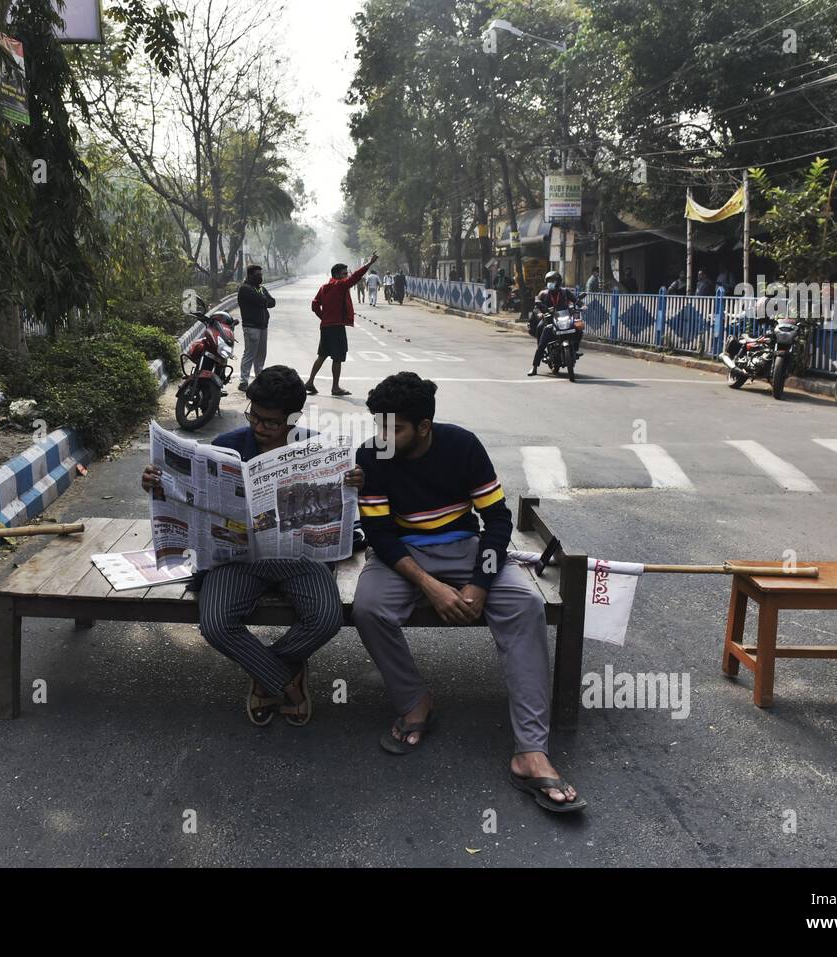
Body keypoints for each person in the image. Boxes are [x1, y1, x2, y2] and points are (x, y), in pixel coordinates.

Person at [352, 372, 586, 814]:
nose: (382, 436)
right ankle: (415, 701)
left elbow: (496, 521)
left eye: (393, 428)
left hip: (466, 549)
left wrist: (479, 582)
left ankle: (531, 750)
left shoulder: (462, 446)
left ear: (423, 427)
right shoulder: (372, 455)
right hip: (400, 556)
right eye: (378, 426)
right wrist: (431, 586)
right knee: (369, 608)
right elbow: (380, 534)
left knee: (525, 604)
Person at [140, 366, 363, 726]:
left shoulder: (315, 449)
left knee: (327, 618)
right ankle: (287, 679)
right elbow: (193, 504)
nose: (259, 427)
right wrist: (159, 483)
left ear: (293, 418)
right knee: (214, 624)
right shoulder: (227, 447)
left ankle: (266, 674)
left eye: (271, 422)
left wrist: (352, 485)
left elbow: (346, 514)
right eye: (254, 416)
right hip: (237, 559)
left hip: (299, 557)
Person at [306, 253, 378, 397]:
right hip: (336, 327)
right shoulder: (339, 285)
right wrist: (369, 263)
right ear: (337, 275)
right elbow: (355, 277)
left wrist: (324, 318)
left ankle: (310, 381)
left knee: (322, 355)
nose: (346, 276)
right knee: (337, 358)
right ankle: (335, 387)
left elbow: (314, 305)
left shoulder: (324, 287)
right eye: (344, 274)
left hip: (326, 326)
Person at [528, 270, 580, 375]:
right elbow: (536, 307)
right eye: (549, 281)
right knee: (541, 340)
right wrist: (539, 313)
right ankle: (534, 368)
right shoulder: (543, 293)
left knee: (578, 328)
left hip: (563, 319)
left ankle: (574, 349)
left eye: (553, 280)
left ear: (559, 282)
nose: (551, 283)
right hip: (549, 320)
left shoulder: (565, 292)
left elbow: (576, 300)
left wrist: (582, 305)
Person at [236, 264, 275, 392]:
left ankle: (259, 379)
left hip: (263, 326)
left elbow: (272, 302)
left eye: (261, 275)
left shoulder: (261, 289)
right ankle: (243, 381)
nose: (260, 277)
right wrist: (264, 301)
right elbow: (262, 300)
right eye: (257, 275)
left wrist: (264, 301)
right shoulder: (245, 289)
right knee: (249, 354)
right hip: (251, 326)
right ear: (250, 275)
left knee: (261, 354)